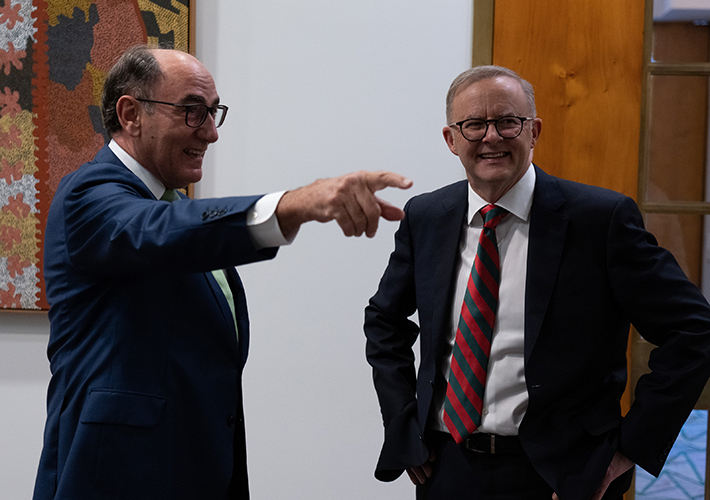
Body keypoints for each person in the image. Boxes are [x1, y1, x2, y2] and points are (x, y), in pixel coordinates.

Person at [33, 45, 411, 500]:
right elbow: (157, 232)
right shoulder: (89, 196)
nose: (211, 133)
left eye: (214, 113)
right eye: (193, 112)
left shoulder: (175, 205)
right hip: (115, 476)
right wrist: (296, 203)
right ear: (131, 114)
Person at [364, 65, 710, 500]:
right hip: (446, 469)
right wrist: (404, 425)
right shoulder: (426, 217)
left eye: (508, 121)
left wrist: (629, 448)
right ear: (452, 140)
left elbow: (693, 331)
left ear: (534, 131)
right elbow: (384, 321)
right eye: (474, 124)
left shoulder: (599, 220)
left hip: (564, 475)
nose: (491, 137)